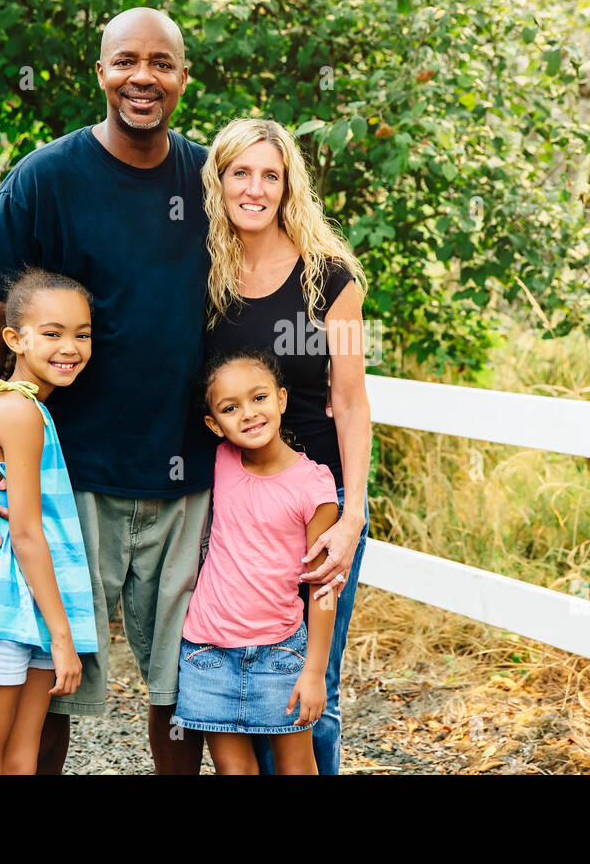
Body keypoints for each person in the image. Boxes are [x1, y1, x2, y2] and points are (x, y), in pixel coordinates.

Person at [0, 7, 214, 774]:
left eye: (163, 62)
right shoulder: (44, 180)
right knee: (51, 686)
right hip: (69, 479)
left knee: (181, 692)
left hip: (186, 474)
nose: (144, 77)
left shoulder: (209, 180)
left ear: (182, 77)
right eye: (127, 60)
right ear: (101, 72)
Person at [201, 117, 372, 774]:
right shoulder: (203, 276)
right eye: (241, 172)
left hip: (318, 510)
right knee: (242, 685)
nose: (255, 188)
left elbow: (352, 401)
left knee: (311, 690)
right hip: (235, 513)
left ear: (288, 185)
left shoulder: (332, 279)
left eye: (270, 174)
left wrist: (353, 511)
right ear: (219, 182)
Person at [0, 267, 100, 774]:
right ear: (15, 339)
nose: (69, 346)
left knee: (21, 761)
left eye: (82, 334)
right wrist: (64, 637)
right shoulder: (19, 412)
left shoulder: (32, 410)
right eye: (51, 334)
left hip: (30, 611)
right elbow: (26, 535)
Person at [171, 348, 341, 774]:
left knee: (296, 768)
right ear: (214, 424)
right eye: (231, 407)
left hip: (280, 653)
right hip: (207, 652)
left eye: (259, 398)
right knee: (235, 770)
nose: (248, 413)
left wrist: (315, 671)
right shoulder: (218, 462)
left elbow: (321, 584)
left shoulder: (314, 486)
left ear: (282, 399)